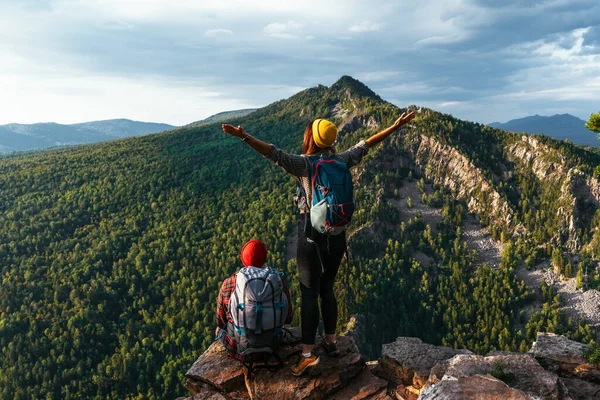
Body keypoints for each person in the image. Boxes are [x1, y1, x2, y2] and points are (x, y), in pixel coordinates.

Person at [222, 111, 415, 376]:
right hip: (337, 236)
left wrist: (244, 136)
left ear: (311, 138)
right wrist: (394, 126)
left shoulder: (306, 165)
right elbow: (367, 144)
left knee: (309, 294)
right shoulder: (342, 160)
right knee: (328, 289)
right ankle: (332, 342)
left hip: (310, 237)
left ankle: (307, 354)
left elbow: (273, 153)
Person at [215, 239, 293, 360]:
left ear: (243, 259)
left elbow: (220, 320)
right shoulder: (277, 282)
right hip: (272, 346)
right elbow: (288, 318)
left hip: (240, 348)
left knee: (220, 330)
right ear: (264, 259)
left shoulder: (229, 284)